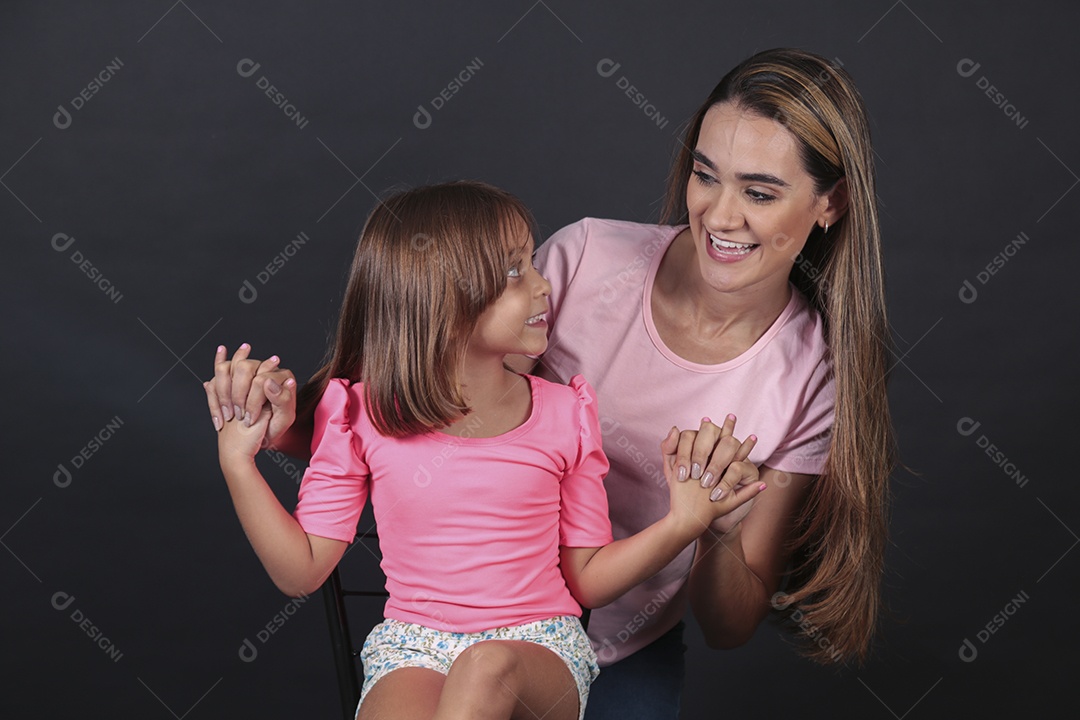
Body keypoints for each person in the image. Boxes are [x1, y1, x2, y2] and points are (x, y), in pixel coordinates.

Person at [207, 48, 894, 718]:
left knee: (491, 672)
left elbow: (729, 623)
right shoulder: (587, 259)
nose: (718, 215)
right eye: (706, 174)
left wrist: (711, 524)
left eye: (761, 191)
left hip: (612, 645)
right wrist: (272, 421)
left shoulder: (810, 376)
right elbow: (409, 389)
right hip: (429, 633)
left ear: (830, 203)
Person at [207, 181, 763, 720]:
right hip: (413, 648)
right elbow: (302, 571)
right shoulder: (355, 413)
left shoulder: (565, 414)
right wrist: (238, 462)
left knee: (484, 668)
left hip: (537, 644)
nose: (544, 286)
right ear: (442, 301)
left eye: (533, 265)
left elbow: (587, 579)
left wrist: (684, 522)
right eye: (515, 272)